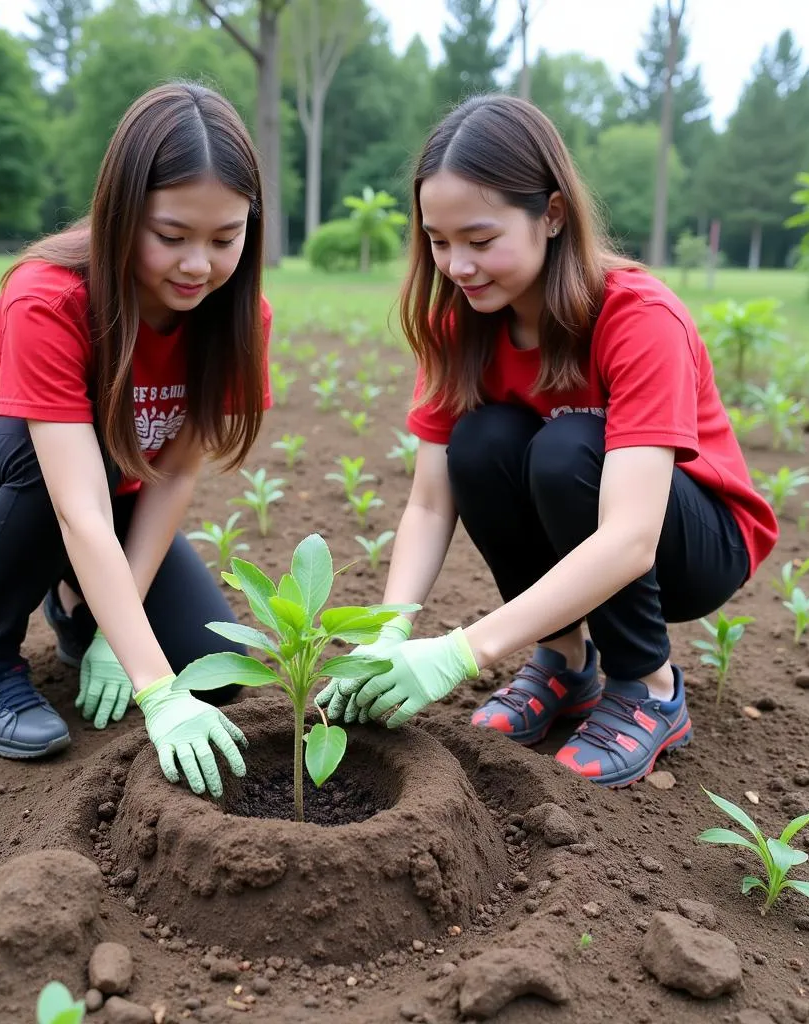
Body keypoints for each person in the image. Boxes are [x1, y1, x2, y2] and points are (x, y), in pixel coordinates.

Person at [317, 94, 778, 787]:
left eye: (480, 239)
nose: (458, 266)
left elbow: (631, 538)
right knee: (480, 441)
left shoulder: (637, 316)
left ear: (552, 214)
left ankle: (647, 686)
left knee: (567, 450)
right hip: (588, 520)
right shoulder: (459, 327)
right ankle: (563, 662)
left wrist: (460, 653)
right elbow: (430, 505)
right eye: (439, 242)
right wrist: (390, 633)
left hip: (694, 543)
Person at [0, 83, 272, 798]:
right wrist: (156, 692)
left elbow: (174, 473)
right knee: (65, 468)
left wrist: (115, 628)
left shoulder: (238, 318)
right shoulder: (52, 295)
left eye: (225, 238)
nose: (199, 265)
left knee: (207, 667)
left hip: (111, 480)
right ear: (122, 214)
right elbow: (76, 503)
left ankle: (74, 606)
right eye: (171, 236)